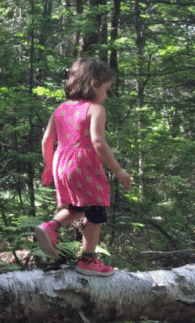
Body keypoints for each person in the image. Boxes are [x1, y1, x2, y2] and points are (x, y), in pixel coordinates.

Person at [34, 58, 132, 277]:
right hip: (83, 164)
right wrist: (118, 170)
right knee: (96, 210)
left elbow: (46, 140)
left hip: (61, 164)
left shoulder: (61, 109)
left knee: (77, 206)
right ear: (95, 83)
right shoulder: (95, 109)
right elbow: (98, 142)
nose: (106, 95)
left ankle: (51, 226)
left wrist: (48, 167)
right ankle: (88, 260)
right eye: (106, 89)